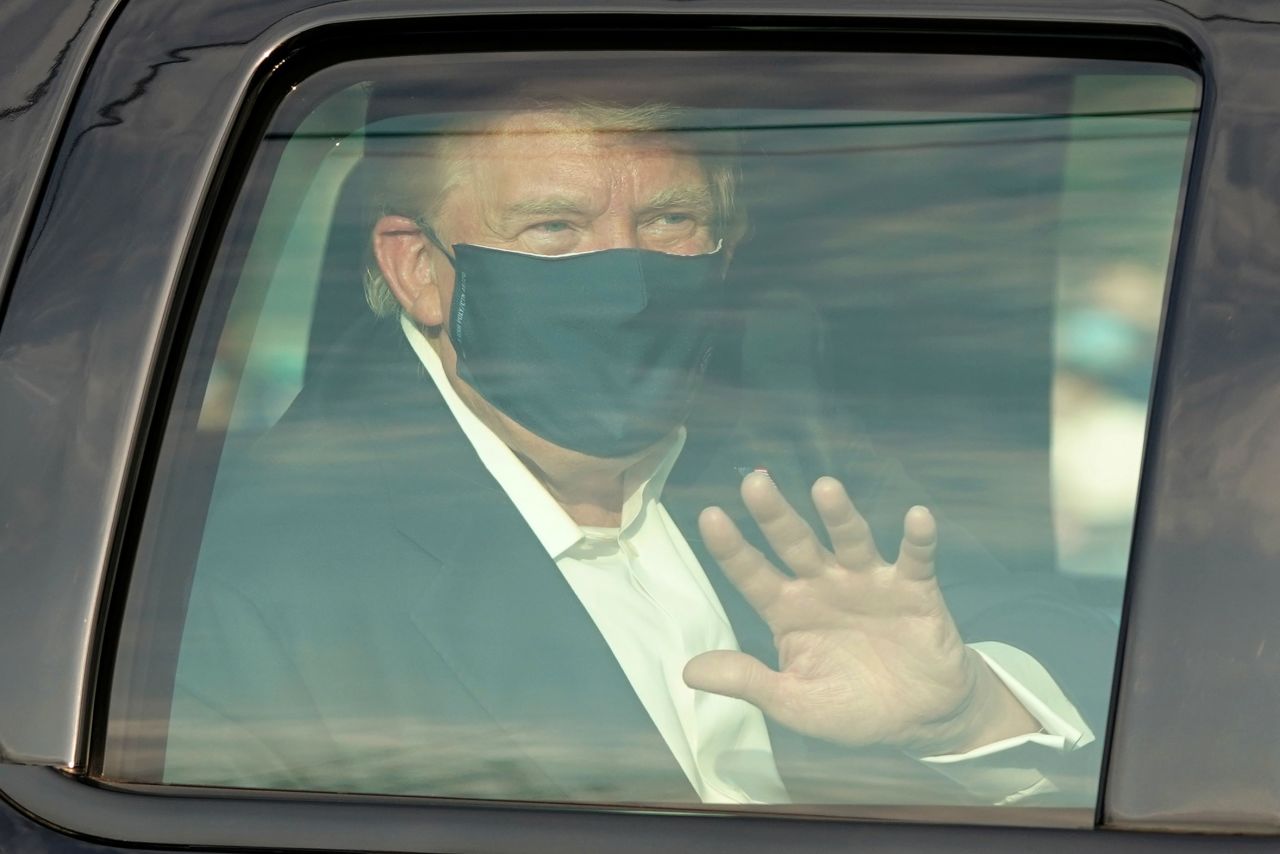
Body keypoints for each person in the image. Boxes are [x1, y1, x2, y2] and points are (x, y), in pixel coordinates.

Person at [166, 99, 1111, 805]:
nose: (626, 280)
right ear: (419, 267)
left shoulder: (795, 459)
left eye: (668, 222)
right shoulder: (247, 570)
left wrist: (964, 716)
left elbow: (1096, 655)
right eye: (554, 230)